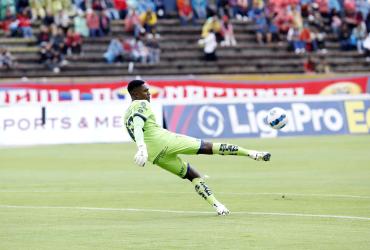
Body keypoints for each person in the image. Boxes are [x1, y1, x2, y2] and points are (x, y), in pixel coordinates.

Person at [124, 80, 271, 216]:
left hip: (154, 155)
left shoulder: (126, 115)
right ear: (135, 94)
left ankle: (218, 206)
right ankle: (252, 153)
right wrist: (141, 147)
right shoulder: (141, 103)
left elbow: (136, 128)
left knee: (192, 175)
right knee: (208, 147)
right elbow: (138, 125)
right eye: (145, 91)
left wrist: (143, 149)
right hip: (165, 141)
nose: (149, 93)